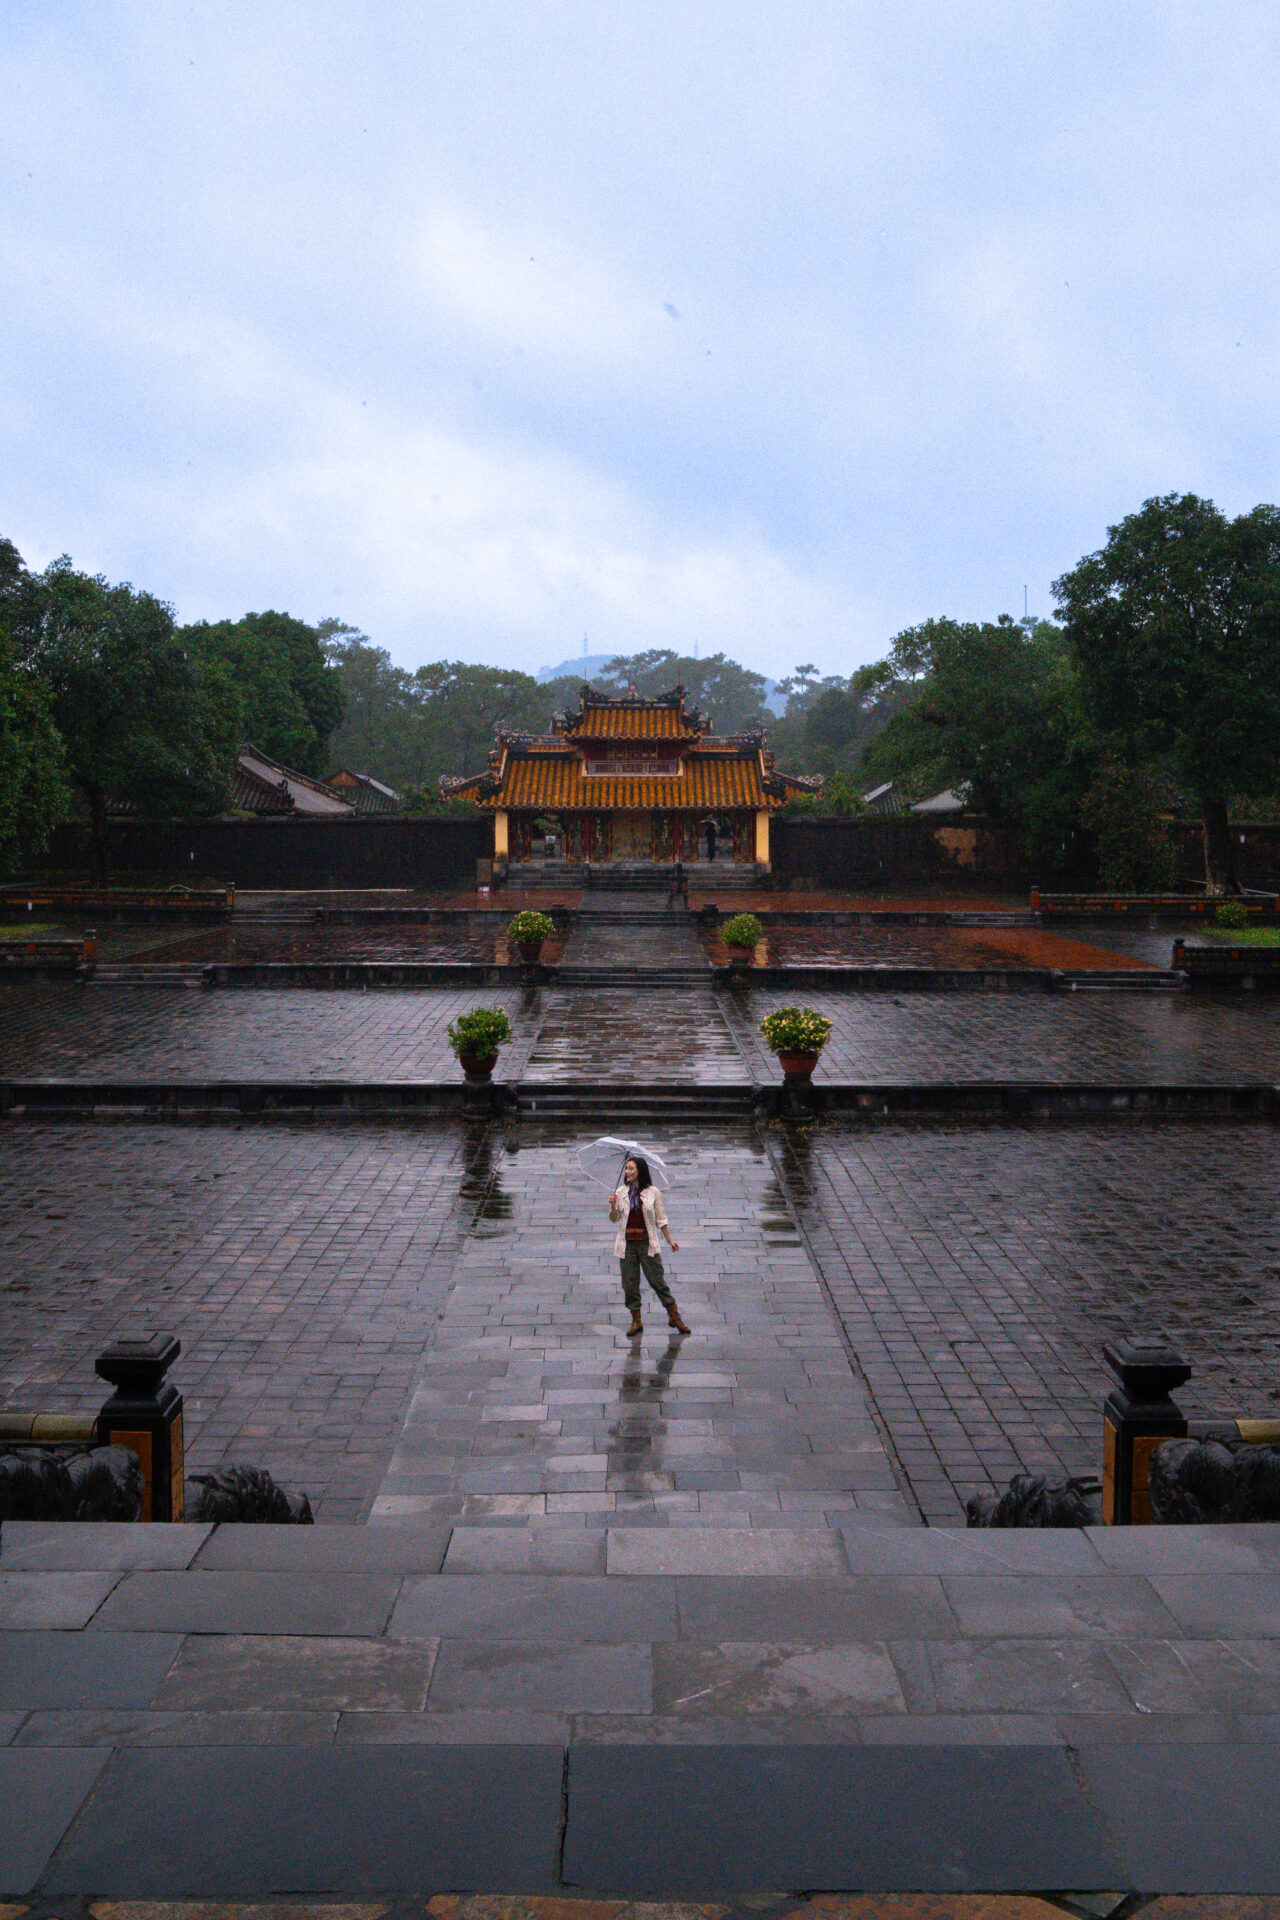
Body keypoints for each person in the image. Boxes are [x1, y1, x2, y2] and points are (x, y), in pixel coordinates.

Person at [608, 1154, 690, 1338]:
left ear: (640, 1171)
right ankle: (636, 1320)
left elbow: (661, 1219)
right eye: (627, 1168)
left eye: (631, 1168)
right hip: (626, 1245)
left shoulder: (653, 1192)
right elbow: (614, 1219)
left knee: (657, 1281)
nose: (628, 1172)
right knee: (629, 1284)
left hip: (647, 1244)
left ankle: (674, 1316)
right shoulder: (620, 1192)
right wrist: (613, 1205)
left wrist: (669, 1240)